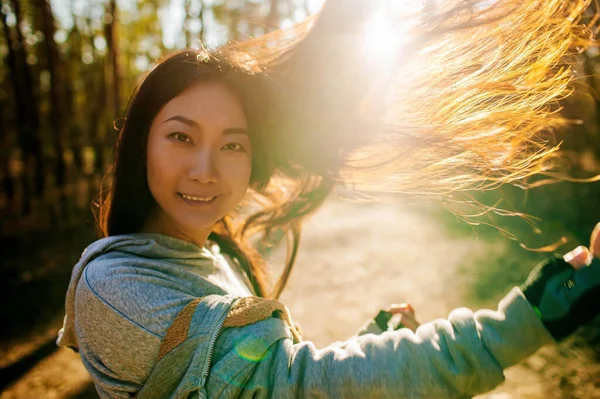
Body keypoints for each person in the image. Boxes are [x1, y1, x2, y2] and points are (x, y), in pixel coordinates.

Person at [57, 0, 600, 397]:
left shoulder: (211, 257)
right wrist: (525, 322)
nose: (205, 169)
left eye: (232, 145)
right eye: (181, 136)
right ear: (139, 143)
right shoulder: (114, 289)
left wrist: (364, 341)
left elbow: (269, 378)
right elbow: (299, 387)